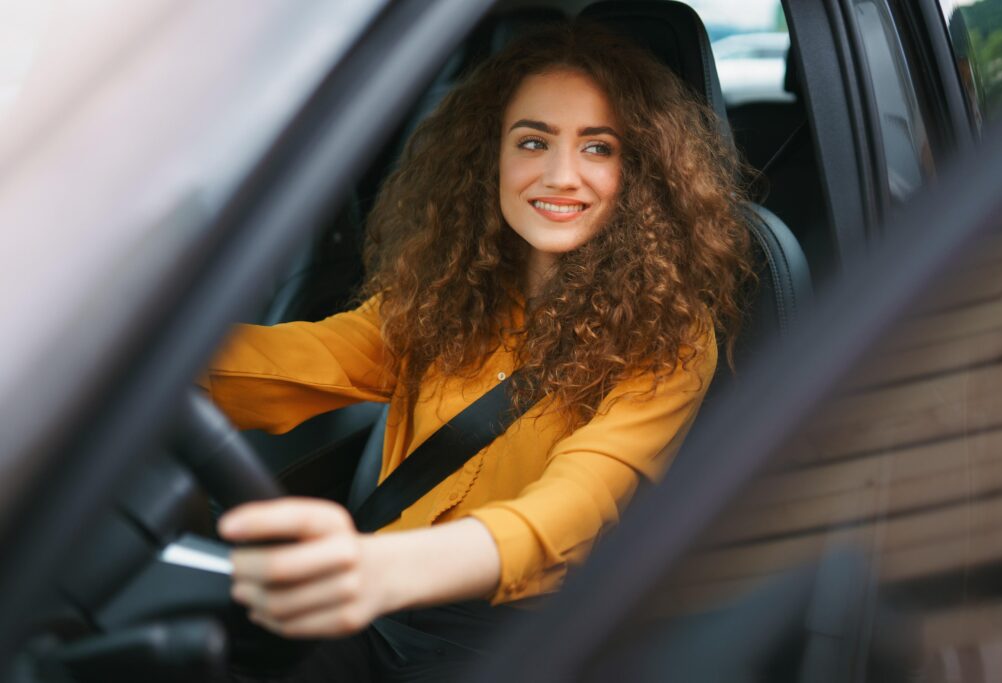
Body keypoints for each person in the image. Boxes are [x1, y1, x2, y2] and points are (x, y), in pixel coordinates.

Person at [204, 20, 753, 682]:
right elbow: (292, 360)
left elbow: (575, 503)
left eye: (598, 148)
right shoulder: (444, 292)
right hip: (377, 615)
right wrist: (122, 370)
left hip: (514, 642)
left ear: (638, 171)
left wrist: (383, 569)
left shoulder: (670, 335)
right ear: (488, 156)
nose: (560, 176)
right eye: (533, 141)